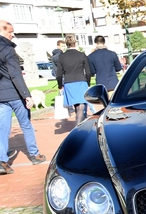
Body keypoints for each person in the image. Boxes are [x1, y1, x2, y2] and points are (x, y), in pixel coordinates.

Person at [0, 20, 46, 175]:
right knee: (26, 125)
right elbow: (15, 75)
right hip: (15, 94)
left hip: (1, 96)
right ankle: (34, 155)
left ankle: (2, 161)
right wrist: (27, 95)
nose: (12, 35)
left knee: (3, 129)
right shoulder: (8, 50)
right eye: (10, 32)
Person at [57, 34, 92, 127]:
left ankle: (79, 125)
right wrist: (88, 82)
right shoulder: (82, 55)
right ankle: (78, 127)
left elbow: (59, 74)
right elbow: (88, 72)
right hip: (81, 81)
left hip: (69, 82)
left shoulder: (61, 57)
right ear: (75, 43)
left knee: (77, 105)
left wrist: (60, 85)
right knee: (81, 105)